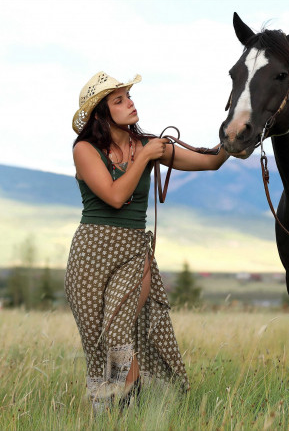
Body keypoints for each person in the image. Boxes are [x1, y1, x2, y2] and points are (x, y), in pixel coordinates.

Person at [65, 71, 229, 413]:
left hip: (132, 251)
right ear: (101, 113)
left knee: (116, 329)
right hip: (89, 255)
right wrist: (145, 157)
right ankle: (108, 416)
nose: (130, 103)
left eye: (129, 96)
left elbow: (210, 162)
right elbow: (113, 196)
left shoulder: (148, 146)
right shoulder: (85, 149)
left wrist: (236, 137)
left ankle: (129, 410)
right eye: (119, 100)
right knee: (96, 345)